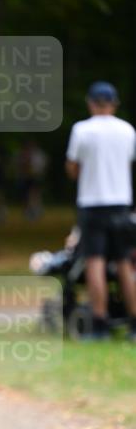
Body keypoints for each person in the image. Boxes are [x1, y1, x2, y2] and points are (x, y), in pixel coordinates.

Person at [65, 81, 136, 341]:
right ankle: (133, 322)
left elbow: (73, 168)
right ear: (114, 104)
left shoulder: (82, 130)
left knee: (95, 262)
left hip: (92, 203)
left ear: (91, 103)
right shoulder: (128, 130)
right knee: (124, 263)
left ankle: (99, 323)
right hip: (120, 202)